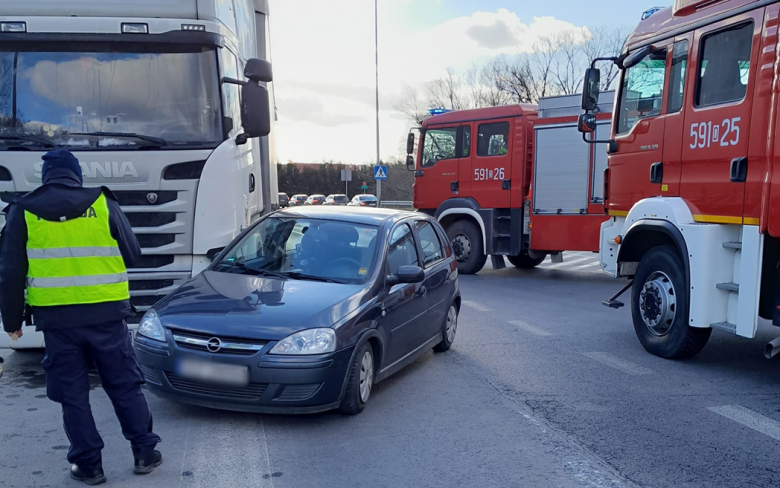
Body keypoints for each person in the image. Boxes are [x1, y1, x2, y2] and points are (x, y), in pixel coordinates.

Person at [0, 150, 161, 485]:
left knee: (72, 394)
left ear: (46, 176)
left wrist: (12, 322)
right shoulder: (102, 202)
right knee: (123, 384)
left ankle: (89, 466)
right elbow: (132, 253)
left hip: (57, 321)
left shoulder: (23, 209)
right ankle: (144, 452)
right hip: (107, 315)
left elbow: (10, 272)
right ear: (76, 175)